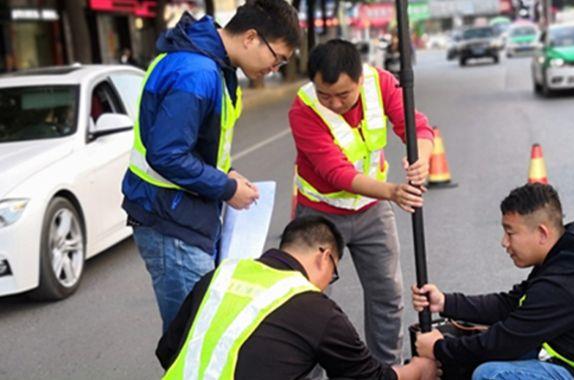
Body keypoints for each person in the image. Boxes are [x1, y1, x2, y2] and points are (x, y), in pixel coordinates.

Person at [121, 0, 300, 332]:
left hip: (182, 215)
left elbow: (195, 147)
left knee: (200, 332)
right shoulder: (197, 71)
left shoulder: (214, 66)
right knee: (195, 337)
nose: (276, 69)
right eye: (277, 58)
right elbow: (168, 155)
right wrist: (227, 188)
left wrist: (226, 174)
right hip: (171, 223)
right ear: (250, 37)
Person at [412, 183, 574, 380]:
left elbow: (503, 341)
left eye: (510, 232)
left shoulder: (563, 285)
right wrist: (445, 302)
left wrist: (438, 348)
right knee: (510, 352)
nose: (504, 242)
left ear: (542, 233)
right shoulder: (567, 257)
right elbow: (512, 305)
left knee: (491, 374)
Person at [288, 39, 435, 365]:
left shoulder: (379, 84)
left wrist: (420, 159)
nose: (335, 103)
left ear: (359, 79)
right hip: (319, 216)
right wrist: (393, 192)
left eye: (343, 94)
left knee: (387, 296)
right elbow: (335, 173)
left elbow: (417, 127)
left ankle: (389, 370)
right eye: (325, 95)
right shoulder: (303, 110)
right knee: (308, 303)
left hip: (371, 211)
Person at [157, 216, 439, 380]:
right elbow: (368, 378)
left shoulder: (223, 274)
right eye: (334, 273)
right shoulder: (314, 307)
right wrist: (417, 369)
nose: (327, 283)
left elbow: (168, 350)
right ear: (325, 256)